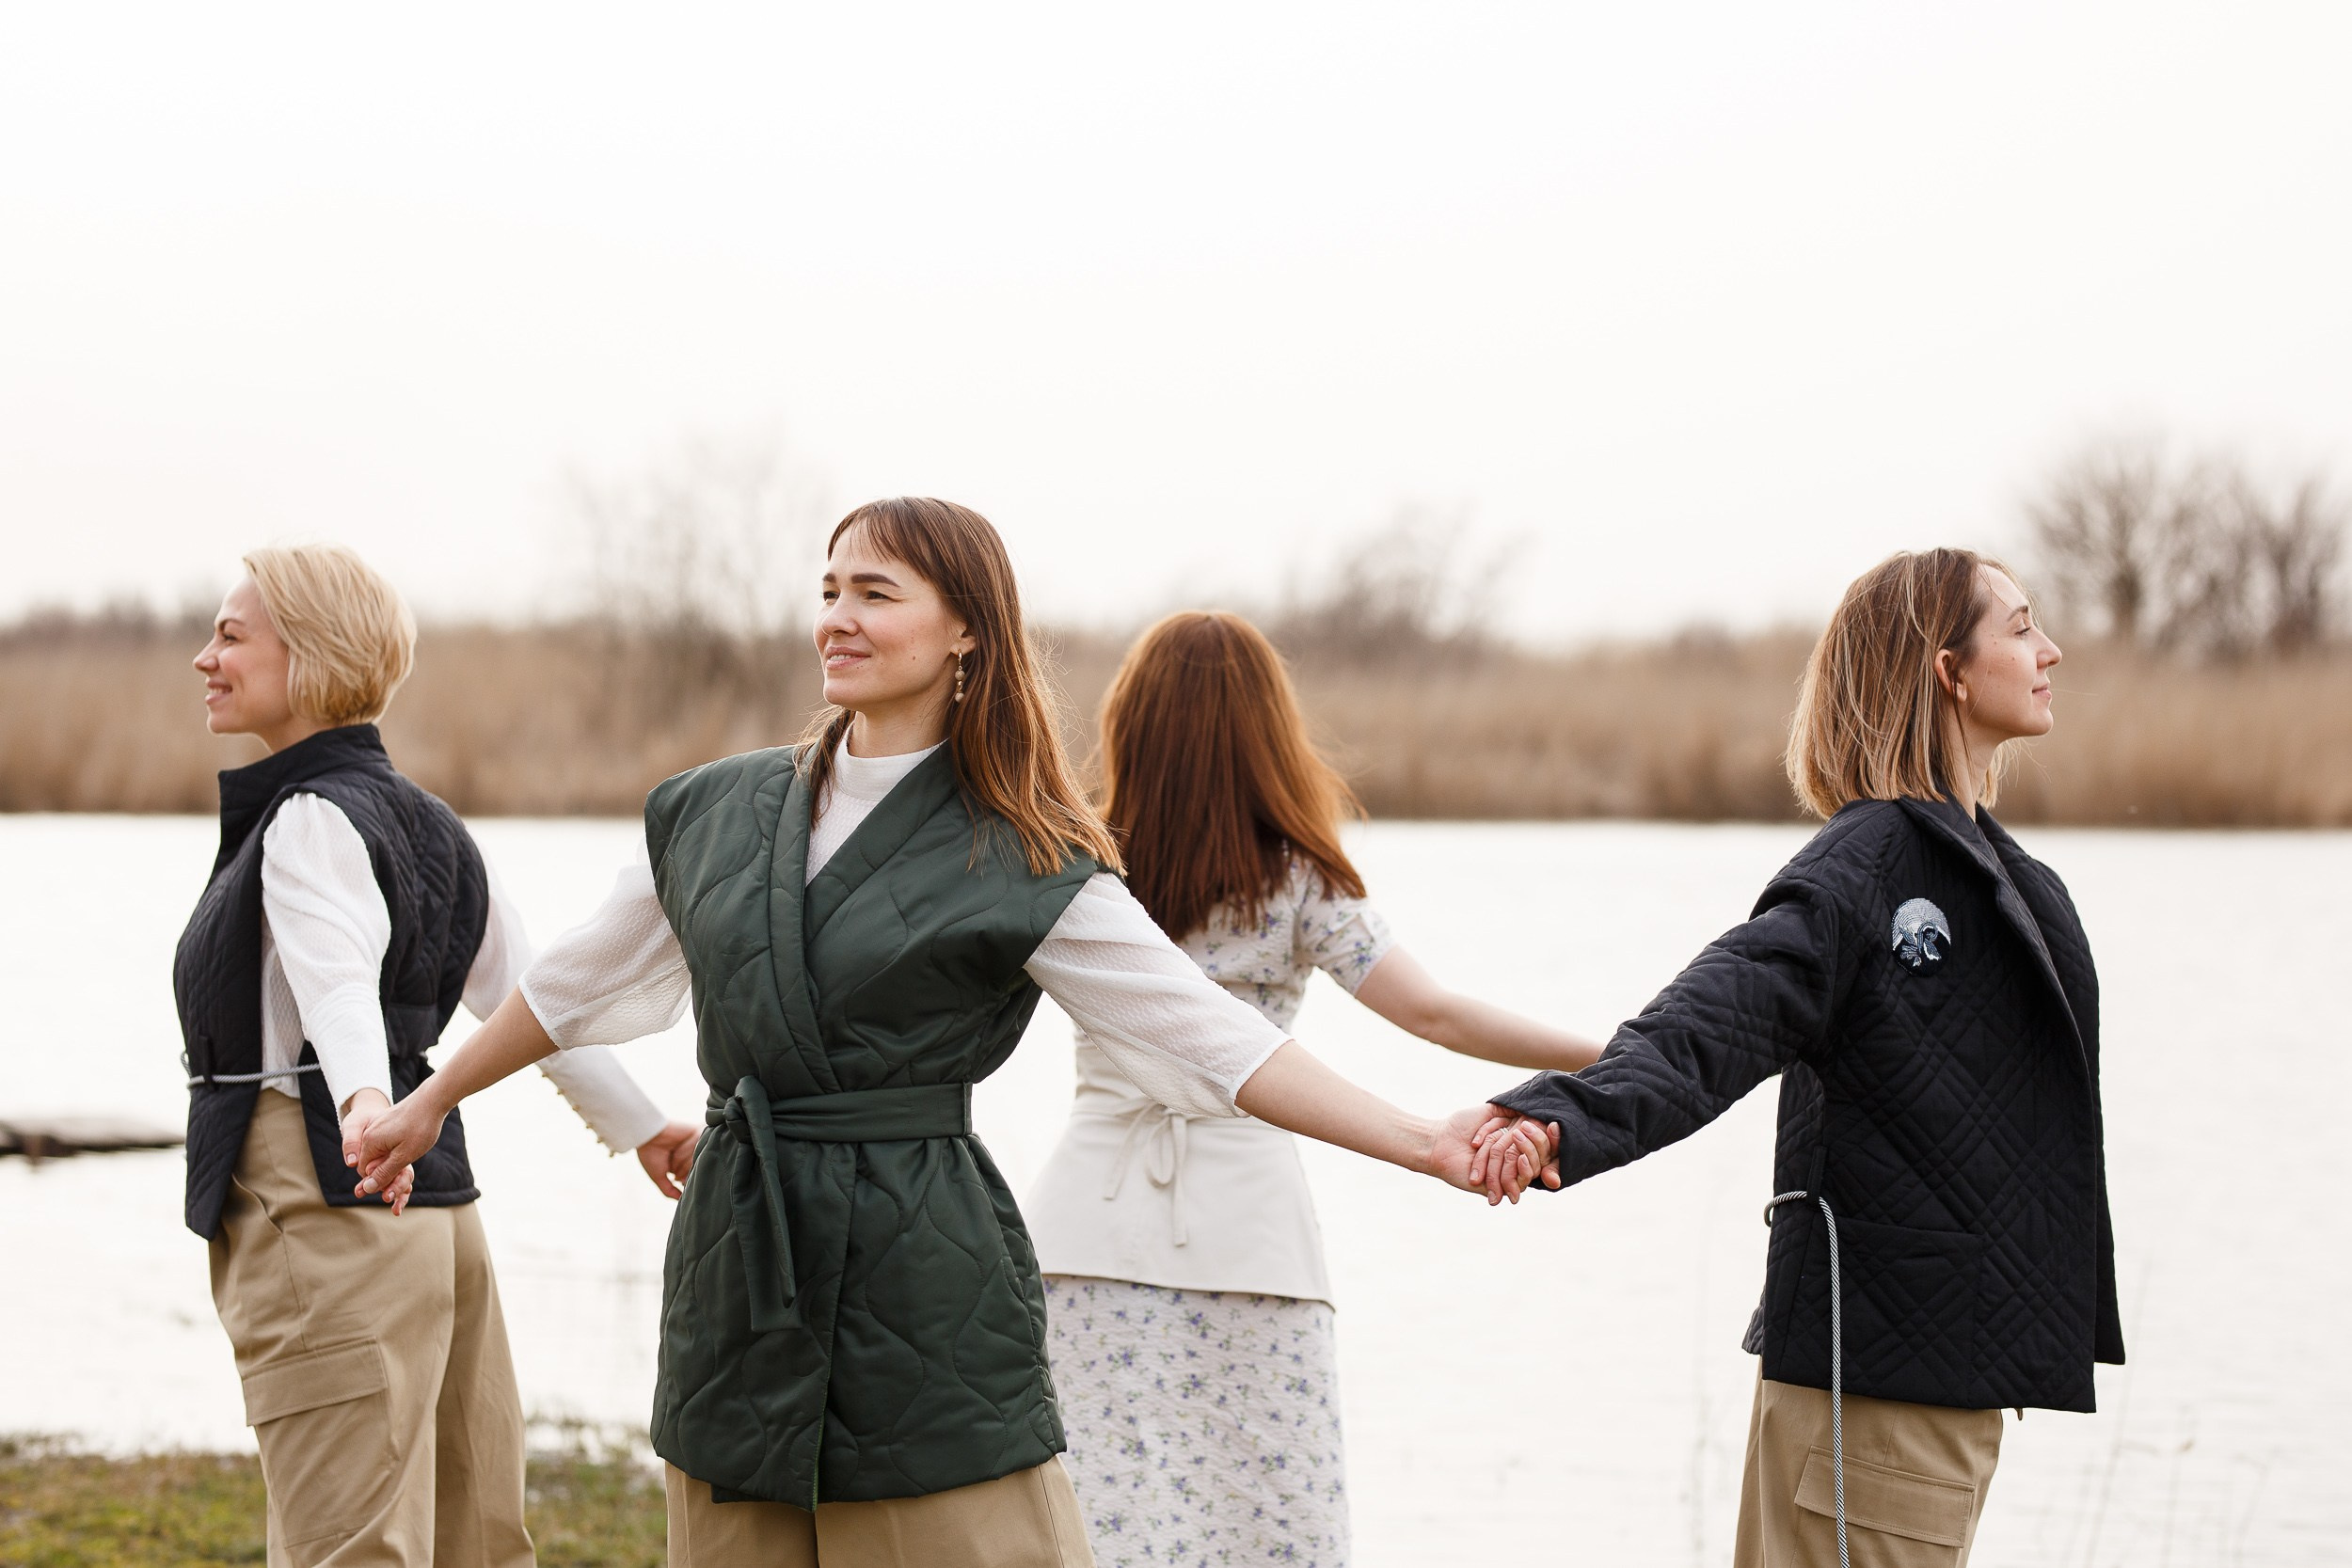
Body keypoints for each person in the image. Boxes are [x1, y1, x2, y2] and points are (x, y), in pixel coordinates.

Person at [350, 499, 1546, 1568]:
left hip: (922, 1265)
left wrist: (1423, 1140)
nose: (838, 618)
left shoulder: (1027, 848)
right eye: (829, 589)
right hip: (738, 1254)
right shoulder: (715, 808)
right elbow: (569, 982)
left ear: (966, 629)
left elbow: (1212, 1039)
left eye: (875, 593)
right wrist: (427, 1103)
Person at [1479, 549, 2122, 1566]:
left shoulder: (1995, 870)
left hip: (1937, 1387)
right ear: (1949, 671)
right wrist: (1564, 1118)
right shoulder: (1867, 860)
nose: (2050, 650)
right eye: (2020, 626)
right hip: (1871, 1398)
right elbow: (1715, 1018)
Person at [1021, 609, 1605, 1566]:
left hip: (1082, 1228)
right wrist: (1624, 1054)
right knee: (1270, 1526)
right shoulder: (1297, 879)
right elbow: (1436, 1013)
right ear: (1266, 731)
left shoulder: (1075, 867)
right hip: (1252, 1236)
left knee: (1096, 1528)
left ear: (1129, 723)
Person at [176, 544, 697, 1568]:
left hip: (330, 1200)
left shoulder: (307, 821)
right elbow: (536, 997)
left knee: (349, 1547)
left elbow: (336, 982)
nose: (205, 656)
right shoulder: (434, 822)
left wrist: (365, 1107)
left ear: (309, 656)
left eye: (230, 636)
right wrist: (640, 1123)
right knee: (477, 1543)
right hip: (439, 1222)